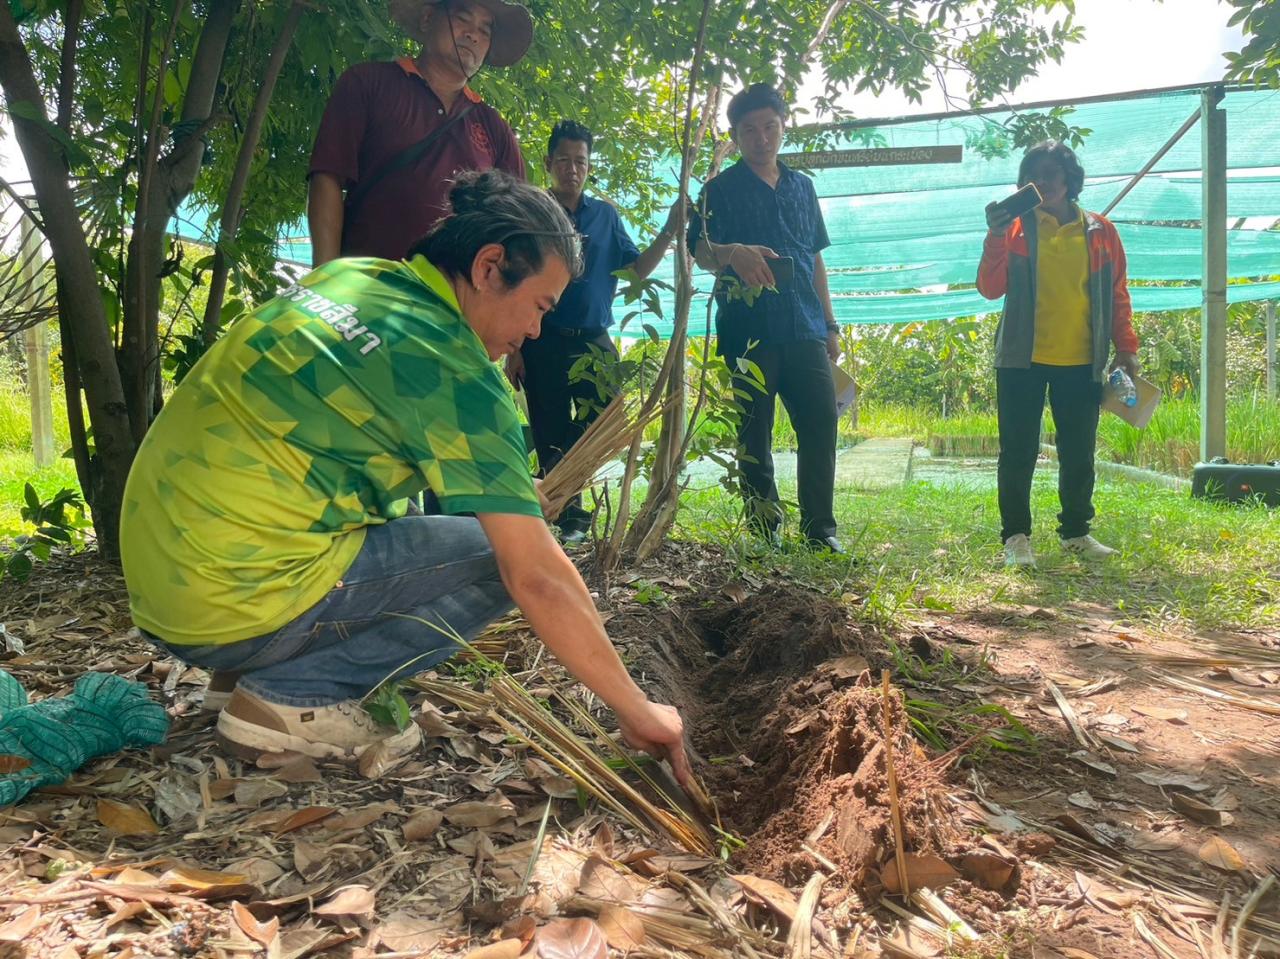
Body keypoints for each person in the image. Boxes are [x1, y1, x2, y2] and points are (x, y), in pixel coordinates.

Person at [119, 170, 691, 785]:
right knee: (495, 558)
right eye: (539, 306)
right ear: (490, 266)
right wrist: (638, 710)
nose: (535, 331)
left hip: (162, 590)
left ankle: (235, 678)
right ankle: (293, 694)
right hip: (235, 606)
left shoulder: (350, 277)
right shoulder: (459, 375)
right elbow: (537, 574)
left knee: (394, 515)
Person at [506, 120, 684, 543]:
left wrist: (669, 230)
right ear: (549, 163)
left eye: (580, 161)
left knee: (607, 420)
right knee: (549, 427)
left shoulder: (605, 215)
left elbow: (636, 269)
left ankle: (559, 492)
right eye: (564, 160)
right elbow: (513, 279)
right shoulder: (533, 213)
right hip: (540, 338)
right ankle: (568, 517)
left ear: (589, 166)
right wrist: (514, 347)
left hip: (594, 339)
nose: (572, 168)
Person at [687, 83, 843, 553]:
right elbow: (698, 251)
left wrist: (831, 325)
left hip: (805, 325)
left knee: (820, 423)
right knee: (753, 431)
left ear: (783, 126)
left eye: (770, 127)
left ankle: (821, 530)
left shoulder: (802, 187)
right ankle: (763, 528)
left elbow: (814, 258)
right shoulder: (718, 190)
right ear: (735, 136)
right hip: (747, 331)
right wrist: (732, 252)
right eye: (750, 130)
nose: (761, 138)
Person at [977, 140, 1139, 568]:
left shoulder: (1101, 232)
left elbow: (1117, 295)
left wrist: (1127, 347)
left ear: (1070, 179)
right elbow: (989, 287)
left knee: (1079, 450)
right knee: (1018, 450)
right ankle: (1016, 537)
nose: (1041, 182)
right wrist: (994, 236)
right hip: (1020, 360)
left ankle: (1076, 533)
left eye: (1050, 173)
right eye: (1033, 175)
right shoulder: (1014, 229)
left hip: (1081, 359)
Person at [307, 0, 531, 265]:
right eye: (462, 18)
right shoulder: (368, 83)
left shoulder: (495, 128)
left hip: (452, 301)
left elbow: (514, 224)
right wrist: (325, 276)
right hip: (366, 286)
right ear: (427, 19)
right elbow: (327, 178)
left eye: (485, 30)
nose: (473, 35)